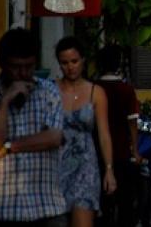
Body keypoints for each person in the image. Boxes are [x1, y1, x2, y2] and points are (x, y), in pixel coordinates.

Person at [0, 28, 67, 225]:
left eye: (29, 66)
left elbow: (53, 138)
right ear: (2, 64)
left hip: (45, 208)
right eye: (16, 67)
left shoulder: (49, 93)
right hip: (1, 210)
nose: (23, 73)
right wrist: (5, 101)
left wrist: (9, 147)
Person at [54, 37, 117, 227]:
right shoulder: (50, 90)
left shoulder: (95, 92)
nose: (70, 67)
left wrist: (109, 170)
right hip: (55, 165)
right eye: (64, 63)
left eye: (74, 61)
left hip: (85, 167)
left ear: (83, 61)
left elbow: (104, 134)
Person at [95, 44, 141, 227]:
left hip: (97, 150)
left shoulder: (93, 88)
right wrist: (135, 149)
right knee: (125, 202)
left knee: (101, 203)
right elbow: (132, 122)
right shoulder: (125, 90)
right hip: (121, 150)